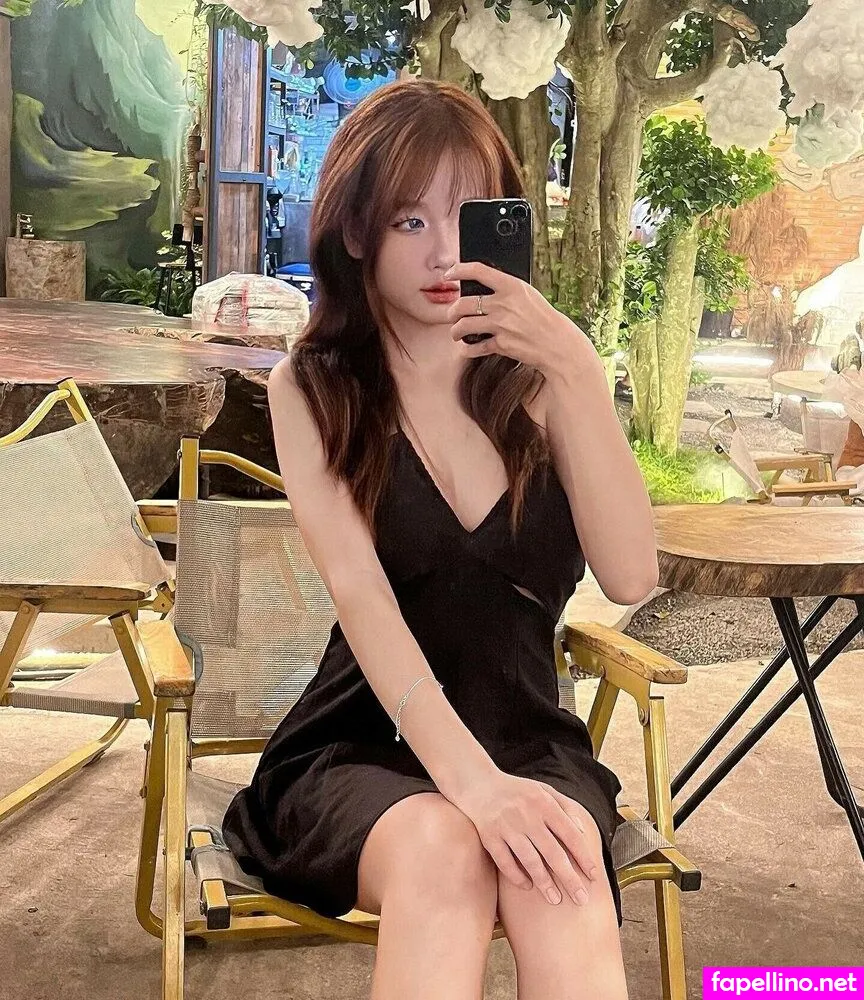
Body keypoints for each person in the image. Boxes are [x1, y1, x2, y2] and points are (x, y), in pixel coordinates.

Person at [222, 78, 659, 1000]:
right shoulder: (315, 387)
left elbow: (630, 575)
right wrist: (475, 788)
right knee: (442, 850)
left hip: (528, 741)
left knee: (559, 868)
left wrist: (576, 367)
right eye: (410, 220)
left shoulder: (540, 380)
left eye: (468, 216)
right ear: (356, 232)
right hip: (359, 744)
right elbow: (360, 594)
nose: (445, 252)